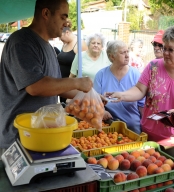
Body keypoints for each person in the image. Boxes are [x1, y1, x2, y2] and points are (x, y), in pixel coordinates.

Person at [0, 0, 95, 155]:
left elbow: (56, 87)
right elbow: (35, 86)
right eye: (63, 17)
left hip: (42, 137)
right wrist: (77, 82)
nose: (67, 23)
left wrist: (91, 96)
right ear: (46, 13)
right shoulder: (22, 42)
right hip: (19, 141)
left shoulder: (49, 48)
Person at [107, 26, 174, 163]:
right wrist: (122, 95)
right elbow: (139, 90)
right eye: (164, 48)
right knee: (147, 169)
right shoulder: (153, 66)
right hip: (150, 132)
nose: (165, 53)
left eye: (171, 49)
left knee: (170, 172)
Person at [93, 40, 144, 134]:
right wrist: (102, 111)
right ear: (112, 56)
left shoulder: (136, 74)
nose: (127, 55)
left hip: (132, 126)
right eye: (122, 53)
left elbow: (142, 104)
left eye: (127, 51)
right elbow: (95, 99)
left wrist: (144, 125)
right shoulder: (101, 75)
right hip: (109, 125)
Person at [57, 26, 88, 103]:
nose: (59, 39)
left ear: (67, 33)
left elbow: (84, 63)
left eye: (60, 36)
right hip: (61, 84)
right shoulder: (65, 44)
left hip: (71, 85)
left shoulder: (80, 43)